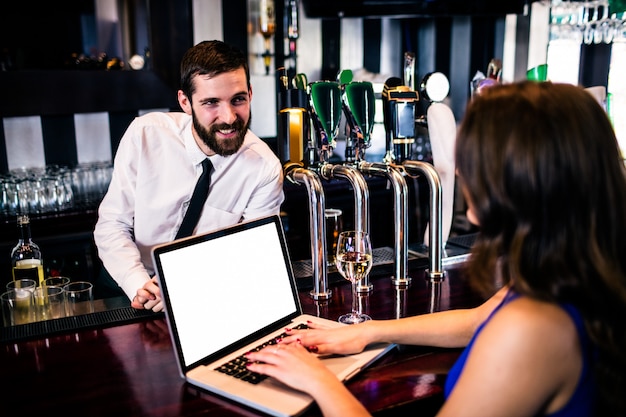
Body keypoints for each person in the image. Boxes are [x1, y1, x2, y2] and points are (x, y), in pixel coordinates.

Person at [246, 81, 626, 417]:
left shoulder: (532, 329)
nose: (460, 172)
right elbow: (479, 320)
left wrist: (318, 381)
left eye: (477, 159)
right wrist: (369, 332)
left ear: (525, 179)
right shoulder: (570, 273)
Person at [93, 40, 284, 311]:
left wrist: (188, 290)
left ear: (250, 94)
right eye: (211, 103)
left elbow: (250, 257)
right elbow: (112, 224)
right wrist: (138, 282)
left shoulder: (264, 168)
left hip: (203, 293)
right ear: (185, 102)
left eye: (238, 99)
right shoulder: (145, 134)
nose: (229, 117)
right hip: (125, 284)